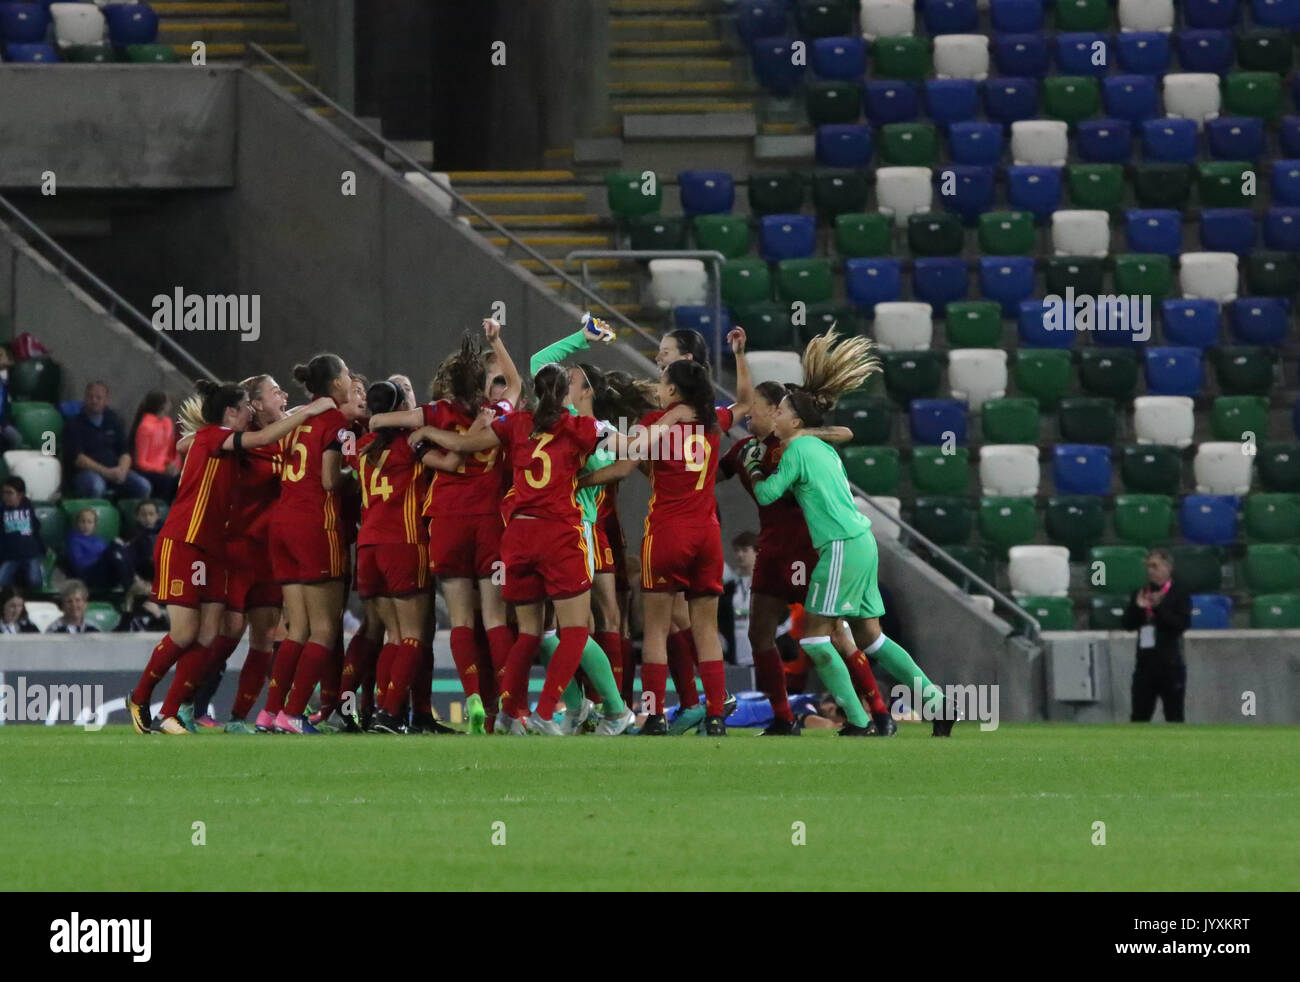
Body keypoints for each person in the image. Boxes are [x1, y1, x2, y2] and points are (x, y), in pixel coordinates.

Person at [745, 330, 958, 736]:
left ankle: (859, 721)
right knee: (871, 638)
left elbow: (769, 494)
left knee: (813, 639)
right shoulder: (821, 448)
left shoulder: (797, 450)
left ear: (795, 420)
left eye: (782, 411)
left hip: (840, 546)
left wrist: (756, 465)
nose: (777, 416)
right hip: (863, 542)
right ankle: (938, 702)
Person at [417, 362, 632, 735]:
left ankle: (507, 713)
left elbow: (467, 445)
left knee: (531, 633)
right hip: (560, 534)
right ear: (566, 393)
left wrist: (424, 434)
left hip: (517, 536)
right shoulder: (581, 427)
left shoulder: (516, 423)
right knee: (576, 630)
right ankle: (547, 713)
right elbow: (630, 455)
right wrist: (584, 479)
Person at [125, 378, 338, 736]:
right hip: (189, 541)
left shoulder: (254, 437)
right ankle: (143, 697)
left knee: (211, 634)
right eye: (256, 402)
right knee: (188, 632)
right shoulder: (219, 436)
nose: (279, 399)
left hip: (221, 549)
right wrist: (313, 409)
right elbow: (202, 441)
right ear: (235, 410)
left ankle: (174, 712)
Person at [583, 328, 753, 735]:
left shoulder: (656, 422)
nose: (657, 388)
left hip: (666, 533)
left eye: (662, 382)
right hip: (707, 534)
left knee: (656, 629)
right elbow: (745, 402)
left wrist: (592, 433)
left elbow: (627, 452)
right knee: (706, 630)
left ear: (674, 389)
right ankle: (715, 715)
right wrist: (740, 355)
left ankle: (655, 715)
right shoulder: (714, 422)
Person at [368, 323, 522, 734]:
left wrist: (418, 434)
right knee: (494, 619)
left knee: (459, 622)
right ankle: (509, 708)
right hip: (491, 520)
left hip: (447, 521)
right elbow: (517, 384)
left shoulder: (436, 412)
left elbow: (381, 418)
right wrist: (496, 341)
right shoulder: (503, 413)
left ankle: (472, 696)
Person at [261, 354, 355, 735]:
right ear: (335, 384)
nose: (350, 379)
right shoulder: (336, 422)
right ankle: (294, 713)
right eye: (347, 373)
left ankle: (270, 712)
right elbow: (332, 480)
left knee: (297, 628)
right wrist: (360, 474)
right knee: (324, 629)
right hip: (317, 526)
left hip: (282, 524)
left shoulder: (296, 419)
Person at [1122, 548, 1192, 723]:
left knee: (1174, 716)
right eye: (1148, 566)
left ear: (1167, 568)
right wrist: (1138, 608)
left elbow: (1180, 626)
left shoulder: (1179, 594)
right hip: (1145, 665)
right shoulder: (1140, 593)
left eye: (1155, 566)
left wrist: (1158, 608)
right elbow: (1128, 625)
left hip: (1170, 665)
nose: (1150, 570)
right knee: (1139, 717)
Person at [62, 381, 152, 500]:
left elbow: (125, 453)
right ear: (85, 399)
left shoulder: (113, 420)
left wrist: (122, 471)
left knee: (143, 486)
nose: (94, 400)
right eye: (90, 397)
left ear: (106, 401)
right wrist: (107, 472)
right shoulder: (74, 424)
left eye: (98, 398)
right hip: (87, 473)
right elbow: (79, 459)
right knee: (96, 486)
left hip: (115, 470)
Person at [130, 391, 181, 501]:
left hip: (162, 468)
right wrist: (163, 469)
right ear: (162, 406)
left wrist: (170, 465)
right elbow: (141, 462)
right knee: (166, 481)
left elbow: (163, 452)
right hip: (147, 471)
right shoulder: (145, 427)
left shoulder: (166, 422)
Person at [0, 476, 44, 591]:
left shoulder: (27, 506)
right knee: (1, 581)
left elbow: (35, 527)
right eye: (4, 492)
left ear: (20, 495)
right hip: (10, 556)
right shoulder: (1, 509)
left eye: (10, 493)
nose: (5, 496)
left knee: (35, 582)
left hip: (29, 554)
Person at [720, 531, 758, 666]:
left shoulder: (768, 586)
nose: (740, 555)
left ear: (756, 552)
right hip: (734, 653)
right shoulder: (730, 586)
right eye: (737, 551)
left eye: (744, 550)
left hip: (760, 652)